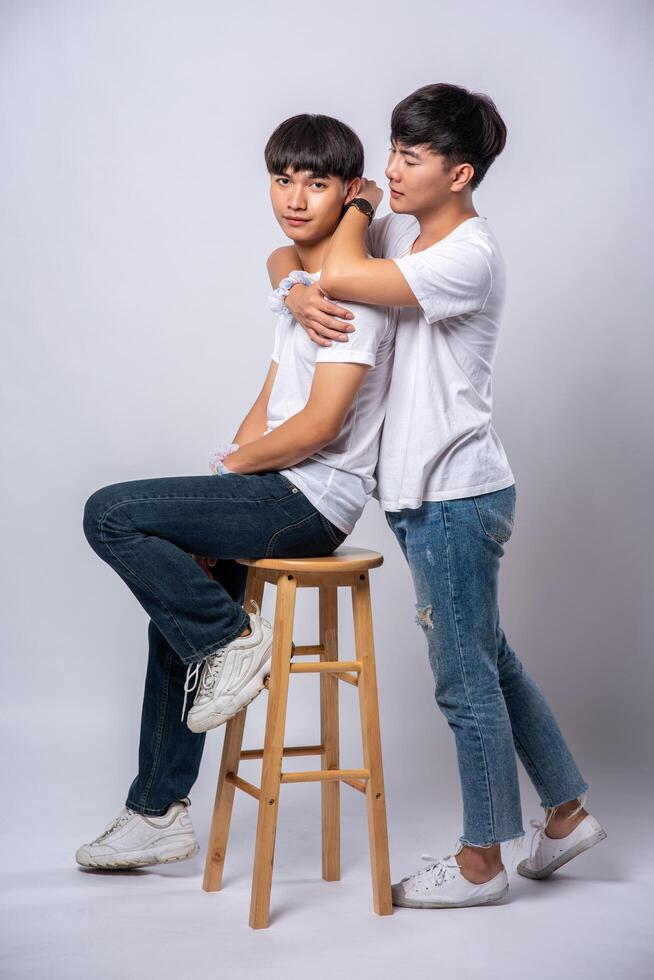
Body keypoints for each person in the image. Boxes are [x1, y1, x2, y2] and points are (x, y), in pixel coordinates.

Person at [267, 83, 606, 910]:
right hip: (433, 495)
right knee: (489, 658)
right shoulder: (401, 235)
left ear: (460, 173)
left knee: (464, 680)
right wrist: (293, 287)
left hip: (455, 495)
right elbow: (296, 253)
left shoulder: (465, 256)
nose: (387, 169)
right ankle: (563, 815)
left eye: (410, 157)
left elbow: (338, 263)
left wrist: (352, 220)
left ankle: (482, 860)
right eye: (389, 150)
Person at [76, 113, 396, 870]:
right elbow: (276, 389)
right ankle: (156, 814)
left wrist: (243, 468)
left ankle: (230, 640)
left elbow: (317, 427)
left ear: (347, 193)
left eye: (317, 183)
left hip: (307, 502)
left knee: (110, 512)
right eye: (283, 179)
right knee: (175, 592)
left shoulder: (352, 294)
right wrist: (227, 468)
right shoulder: (304, 280)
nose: (294, 196)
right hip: (275, 485)